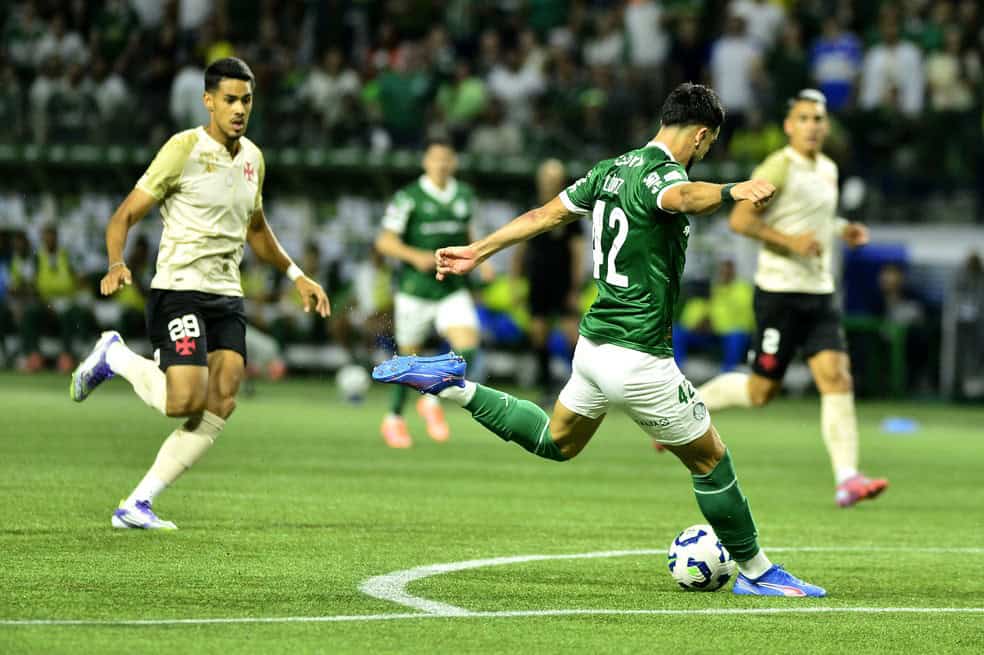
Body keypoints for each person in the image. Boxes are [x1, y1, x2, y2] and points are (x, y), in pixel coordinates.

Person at [374, 83, 825, 597]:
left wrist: (478, 251)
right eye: (710, 144)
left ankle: (454, 387)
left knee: (556, 441)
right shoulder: (663, 175)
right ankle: (759, 573)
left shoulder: (608, 170)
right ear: (701, 136)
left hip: (592, 350)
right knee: (710, 461)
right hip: (640, 357)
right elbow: (680, 197)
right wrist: (731, 190)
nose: (705, 154)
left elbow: (543, 215)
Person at [70, 58, 330, 530]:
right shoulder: (183, 148)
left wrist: (297, 275)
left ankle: (137, 504)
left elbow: (256, 229)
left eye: (246, 100)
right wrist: (116, 262)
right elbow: (124, 214)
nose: (239, 109)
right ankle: (115, 355)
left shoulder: (253, 159)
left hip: (226, 295)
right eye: (230, 99)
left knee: (223, 399)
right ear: (209, 101)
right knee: (183, 402)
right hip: (180, 290)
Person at [697, 89, 888, 508]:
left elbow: (815, 217)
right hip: (779, 293)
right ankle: (691, 409)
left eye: (818, 119)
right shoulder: (778, 166)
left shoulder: (828, 169)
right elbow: (741, 219)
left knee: (837, 378)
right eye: (804, 118)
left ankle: (847, 478)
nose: (812, 126)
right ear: (789, 126)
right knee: (760, 391)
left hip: (819, 293)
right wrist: (790, 243)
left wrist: (842, 229)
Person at [374, 138, 484, 449]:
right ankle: (394, 419)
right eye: (436, 158)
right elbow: (384, 242)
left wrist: (483, 262)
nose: (441, 164)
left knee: (469, 346)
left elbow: (472, 234)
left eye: (447, 158)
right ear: (426, 162)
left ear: (454, 162)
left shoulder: (465, 196)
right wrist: (415, 257)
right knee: (408, 361)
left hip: (451, 289)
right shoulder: (408, 197)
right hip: (415, 290)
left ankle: (431, 398)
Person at [510, 159, 585, 404]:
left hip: (562, 281)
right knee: (539, 333)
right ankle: (546, 387)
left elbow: (577, 251)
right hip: (537, 279)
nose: (549, 182)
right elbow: (519, 245)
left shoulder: (570, 208)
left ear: (561, 181)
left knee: (572, 334)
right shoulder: (530, 207)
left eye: (554, 178)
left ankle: (583, 387)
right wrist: (515, 281)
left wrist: (575, 287)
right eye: (546, 178)